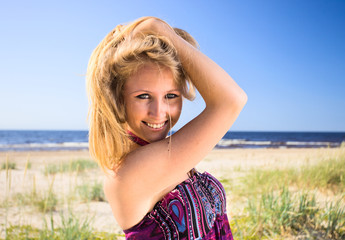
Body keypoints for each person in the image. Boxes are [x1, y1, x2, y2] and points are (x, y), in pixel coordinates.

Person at [86, 16, 247, 239]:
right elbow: (232, 99)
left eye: (171, 95)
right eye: (143, 96)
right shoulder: (132, 172)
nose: (159, 112)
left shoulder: (163, 151)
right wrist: (158, 28)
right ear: (118, 99)